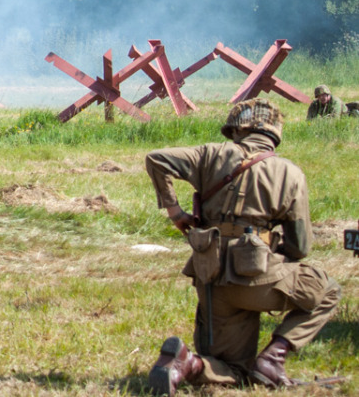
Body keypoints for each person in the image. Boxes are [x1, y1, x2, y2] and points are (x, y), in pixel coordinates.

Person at [143, 98, 341, 395]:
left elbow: (157, 159)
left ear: (235, 130)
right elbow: (300, 247)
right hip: (260, 280)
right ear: (275, 133)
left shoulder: (209, 155)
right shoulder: (290, 173)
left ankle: (188, 363)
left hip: (212, 281)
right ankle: (274, 358)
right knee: (329, 291)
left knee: (231, 368)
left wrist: (176, 213)